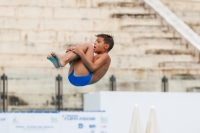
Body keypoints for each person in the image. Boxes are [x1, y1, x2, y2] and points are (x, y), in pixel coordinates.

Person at [47, 33, 114, 86]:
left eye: (98, 42)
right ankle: (60, 62)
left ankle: (63, 60)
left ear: (106, 46)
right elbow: (80, 66)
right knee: (78, 52)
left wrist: (80, 53)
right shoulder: (94, 57)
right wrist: (73, 52)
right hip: (75, 77)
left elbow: (92, 68)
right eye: (95, 41)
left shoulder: (106, 56)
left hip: (85, 78)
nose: (95, 43)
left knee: (88, 46)